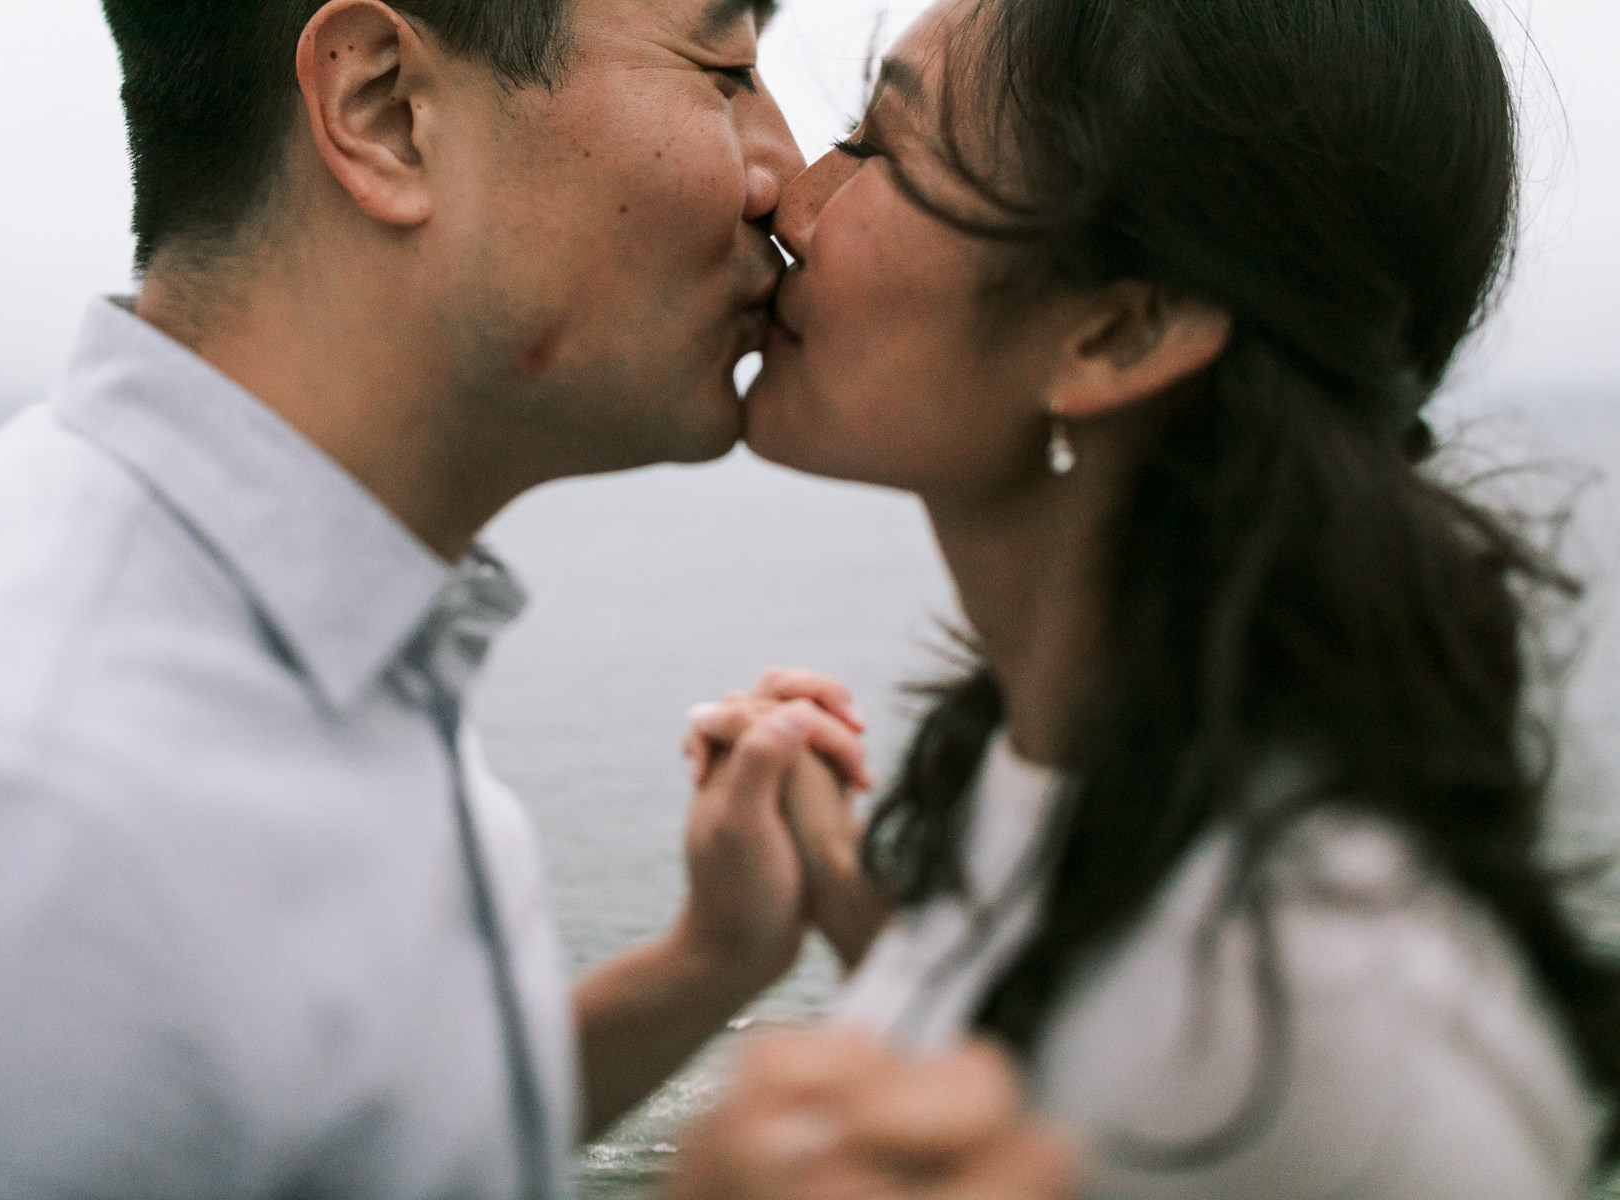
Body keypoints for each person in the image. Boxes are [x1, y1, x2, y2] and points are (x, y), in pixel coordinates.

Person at [0, 1, 1072, 1197]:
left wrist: (705, 968)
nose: (786, 183)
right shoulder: (13, 827)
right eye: (726, 71)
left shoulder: (292, 638)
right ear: (385, 111)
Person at [682, 0, 1620, 1195]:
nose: (793, 201)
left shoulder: (1331, 1022)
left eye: (881, 150)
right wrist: (837, 895)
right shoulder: (1073, 789)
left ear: (1121, 332)